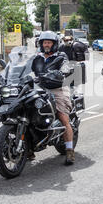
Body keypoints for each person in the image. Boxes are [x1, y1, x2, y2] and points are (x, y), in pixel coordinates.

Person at [31, 31, 76, 165]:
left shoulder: (61, 56)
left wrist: (63, 71)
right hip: (40, 88)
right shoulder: (37, 57)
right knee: (26, 110)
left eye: (49, 42)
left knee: (63, 117)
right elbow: (26, 69)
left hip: (57, 88)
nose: (46, 45)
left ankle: (69, 151)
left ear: (54, 44)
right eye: (44, 42)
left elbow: (66, 66)